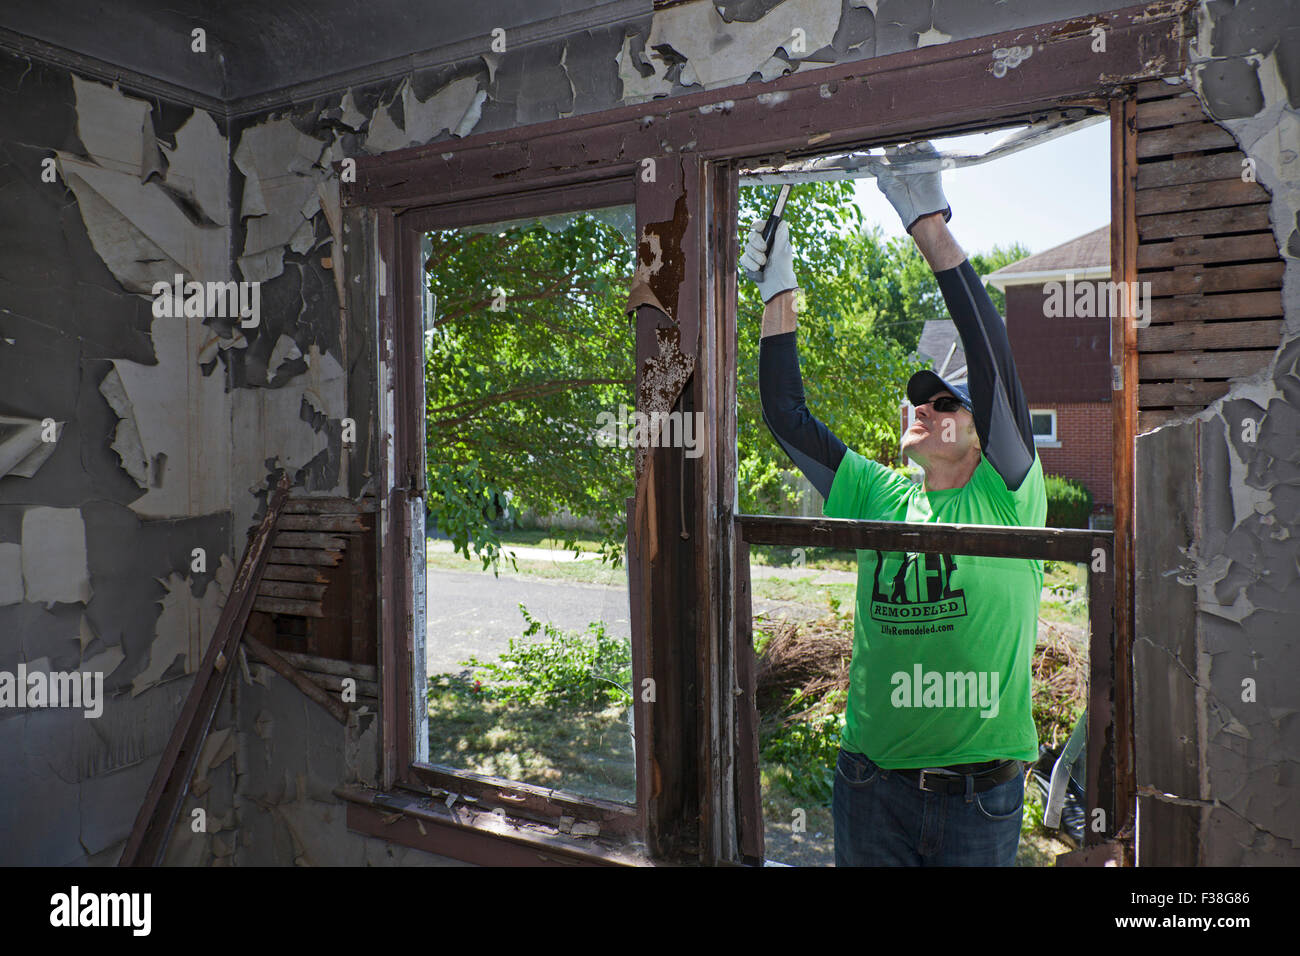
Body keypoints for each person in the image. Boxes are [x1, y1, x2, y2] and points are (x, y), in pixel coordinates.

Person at [740, 141, 1047, 866]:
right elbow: (787, 415)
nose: (924, 406)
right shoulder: (877, 492)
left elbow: (996, 365)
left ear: (979, 434)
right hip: (871, 789)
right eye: (916, 398)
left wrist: (926, 224)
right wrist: (777, 288)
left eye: (945, 403)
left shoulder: (1007, 493)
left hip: (980, 799)